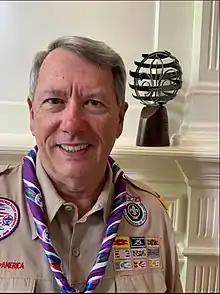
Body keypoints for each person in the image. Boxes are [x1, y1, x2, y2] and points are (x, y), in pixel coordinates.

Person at [0, 36, 183, 293]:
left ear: (119, 119)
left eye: (93, 103)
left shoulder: (151, 215)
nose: (73, 124)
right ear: (32, 114)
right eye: (54, 101)